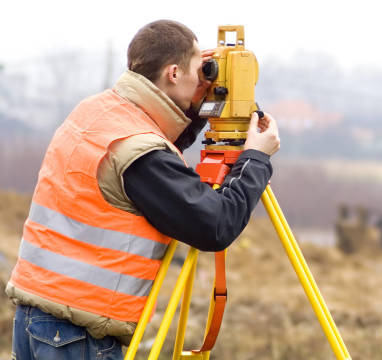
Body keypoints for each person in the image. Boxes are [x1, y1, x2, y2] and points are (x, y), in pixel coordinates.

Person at [6, 20, 279, 360]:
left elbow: (154, 151)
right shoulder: (139, 152)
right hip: (78, 334)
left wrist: (196, 112)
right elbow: (216, 225)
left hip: (36, 319)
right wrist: (256, 158)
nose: (206, 80)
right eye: (201, 69)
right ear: (175, 73)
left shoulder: (98, 111)